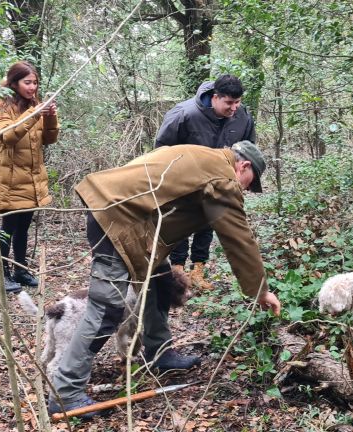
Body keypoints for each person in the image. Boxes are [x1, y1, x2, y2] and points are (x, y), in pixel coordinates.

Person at [48, 140, 281, 420]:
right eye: (248, 183)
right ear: (243, 166)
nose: (244, 189)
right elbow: (238, 238)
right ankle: (66, 392)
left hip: (129, 219)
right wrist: (260, 290)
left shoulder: (201, 155)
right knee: (107, 307)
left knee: (160, 280)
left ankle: (159, 353)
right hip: (117, 220)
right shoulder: (222, 177)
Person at [154, 74, 256, 290]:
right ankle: (178, 271)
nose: (234, 108)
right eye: (229, 103)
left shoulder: (242, 116)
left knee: (208, 224)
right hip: (182, 182)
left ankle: (198, 270)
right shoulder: (184, 114)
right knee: (180, 224)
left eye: (237, 102)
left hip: (219, 182)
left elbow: (249, 148)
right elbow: (161, 149)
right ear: (215, 97)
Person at [0, 61, 59, 293]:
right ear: (14, 82)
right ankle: (3, 274)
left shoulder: (33, 105)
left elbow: (47, 139)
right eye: (27, 82)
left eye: (35, 83)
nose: (32, 87)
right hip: (9, 179)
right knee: (8, 227)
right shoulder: (1, 105)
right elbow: (8, 136)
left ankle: (20, 270)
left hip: (31, 178)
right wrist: (35, 112)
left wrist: (49, 117)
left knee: (24, 227)